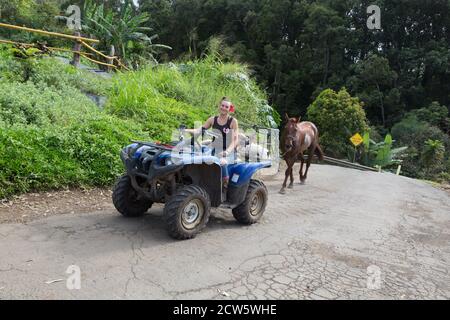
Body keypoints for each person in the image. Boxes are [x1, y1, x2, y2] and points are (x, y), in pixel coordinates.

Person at [185, 97, 239, 188]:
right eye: (222, 105)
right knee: (198, 157)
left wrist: (227, 152)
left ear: (229, 109)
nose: (224, 108)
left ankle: (225, 184)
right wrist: (186, 130)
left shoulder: (233, 121)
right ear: (219, 106)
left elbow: (235, 140)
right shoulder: (212, 119)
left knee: (222, 162)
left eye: (226, 107)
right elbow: (199, 130)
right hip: (215, 149)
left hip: (229, 151)